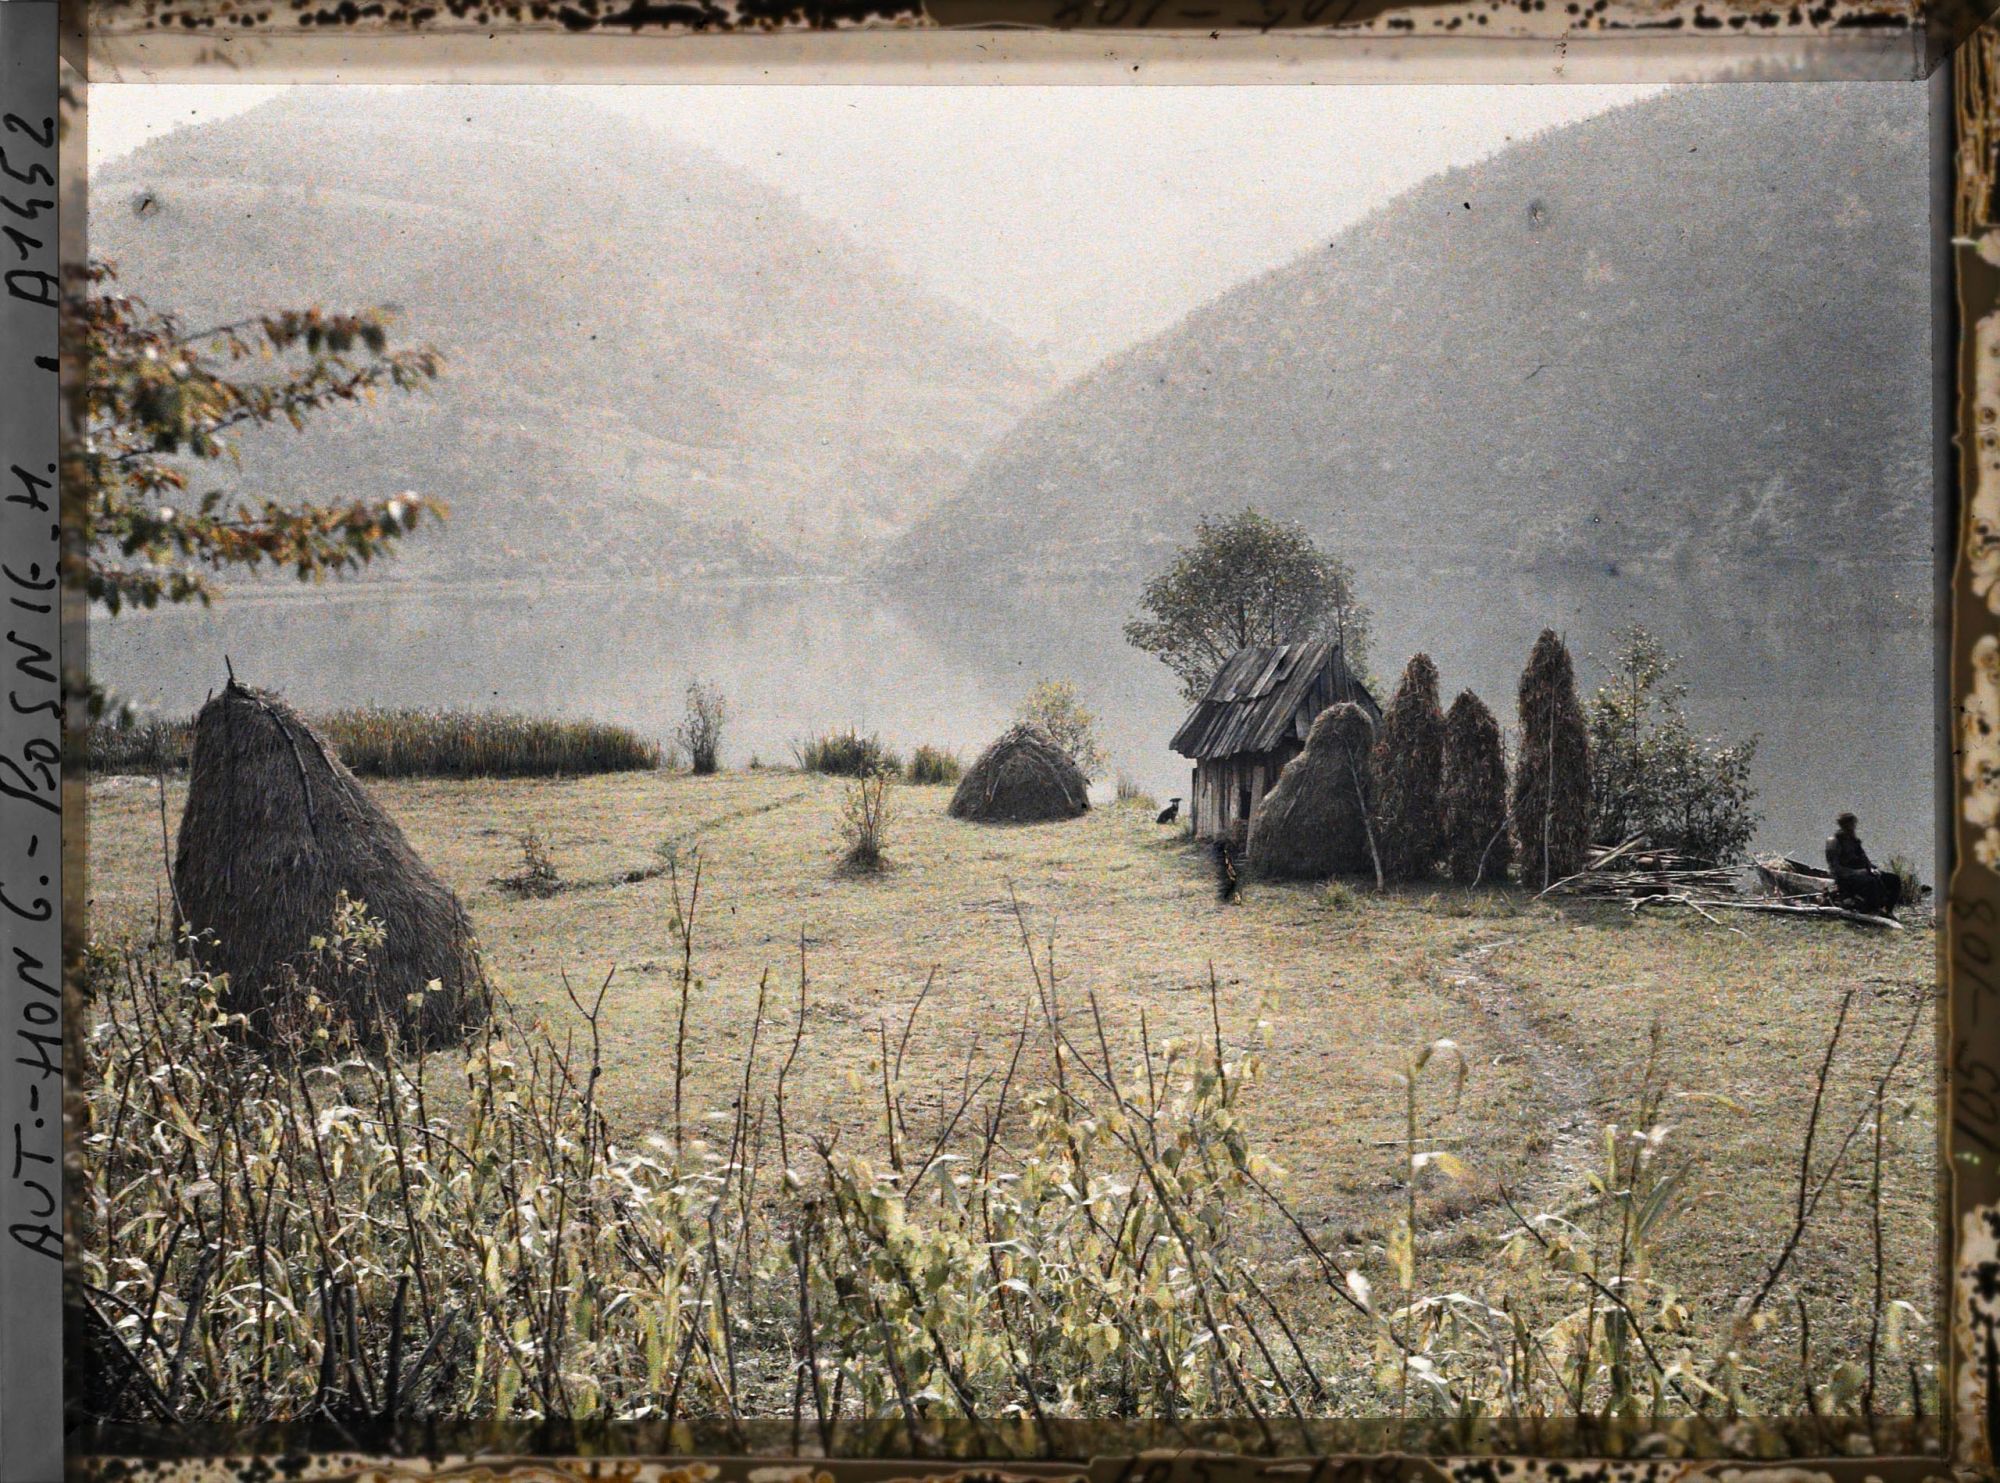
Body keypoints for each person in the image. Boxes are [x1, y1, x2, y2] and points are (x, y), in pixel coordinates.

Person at [1825, 812, 1899, 918]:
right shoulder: (1834, 841)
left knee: (1894, 879)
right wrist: (1857, 873)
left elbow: (1864, 859)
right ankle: (1873, 910)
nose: (1853, 827)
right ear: (1843, 824)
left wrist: (1873, 869)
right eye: (1851, 824)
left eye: (1854, 824)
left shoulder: (1854, 840)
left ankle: (1888, 910)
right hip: (1846, 879)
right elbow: (1835, 869)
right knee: (1871, 882)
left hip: (1863, 873)